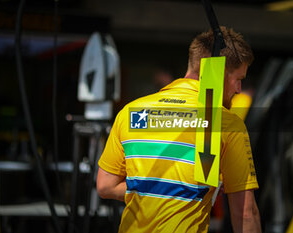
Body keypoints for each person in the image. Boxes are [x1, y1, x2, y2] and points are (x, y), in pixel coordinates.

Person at [96, 26, 262, 233]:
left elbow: (105, 186)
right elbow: (245, 213)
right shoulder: (226, 123)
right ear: (217, 73)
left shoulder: (131, 112)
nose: (238, 89)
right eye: (238, 79)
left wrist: (154, 190)